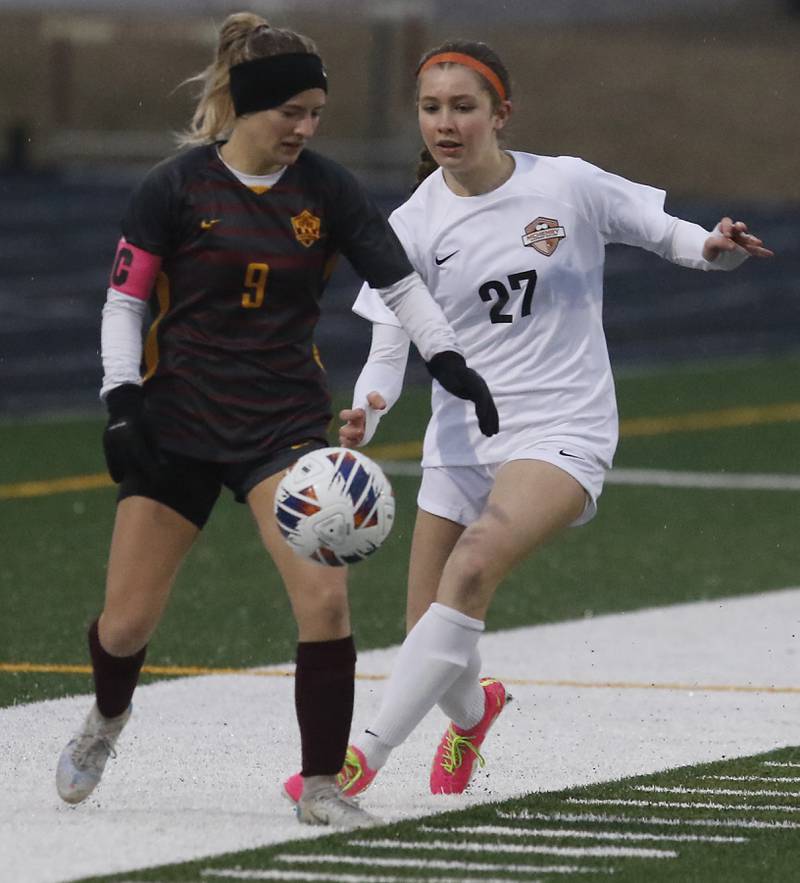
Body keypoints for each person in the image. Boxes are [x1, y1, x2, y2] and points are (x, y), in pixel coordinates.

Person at [282, 39, 774, 804]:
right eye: (431, 108)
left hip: (564, 426)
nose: (445, 123)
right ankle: (475, 716)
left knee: (473, 567)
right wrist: (369, 411)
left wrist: (719, 250)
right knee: (431, 639)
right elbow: (388, 348)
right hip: (460, 440)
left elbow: (673, 233)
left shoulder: (567, 184)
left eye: (463, 107)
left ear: (500, 114)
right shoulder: (410, 224)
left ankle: (359, 758)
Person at [54, 17, 498, 829]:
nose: (305, 128)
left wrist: (449, 361)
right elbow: (124, 301)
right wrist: (122, 400)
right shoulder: (176, 187)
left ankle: (322, 785)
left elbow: (400, 286)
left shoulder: (327, 190)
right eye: (291, 111)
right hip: (176, 420)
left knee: (326, 601)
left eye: (316, 113)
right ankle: (106, 719)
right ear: (248, 106)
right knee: (125, 623)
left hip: (283, 425)